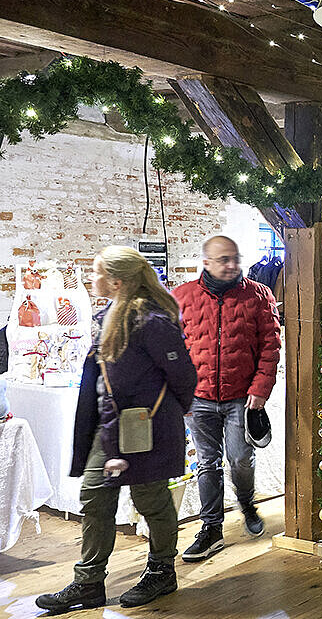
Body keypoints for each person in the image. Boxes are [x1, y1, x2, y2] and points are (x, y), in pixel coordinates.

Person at [37, 246, 197, 613]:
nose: (91, 279)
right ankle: (88, 582)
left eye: (96, 273)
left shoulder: (152, 320)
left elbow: (184, 376)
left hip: (146, 427)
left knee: (150, 500)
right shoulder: (109, 314)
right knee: (95, 495)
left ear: (116, 282)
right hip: (110, 428)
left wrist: (162, 416)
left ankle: (161, 571)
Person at [172, 235, 280, 562]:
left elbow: (271, 346)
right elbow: (172, 348)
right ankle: (211, 528)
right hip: (199, 398)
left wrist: (260, 389)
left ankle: (246, 503)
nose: (232, 265)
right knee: (207, 462)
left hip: (241, 398)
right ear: (206, 262)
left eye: (235, 258)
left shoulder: (259, 295)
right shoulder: (181, 296)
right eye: (224, 260)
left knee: (241, 459)